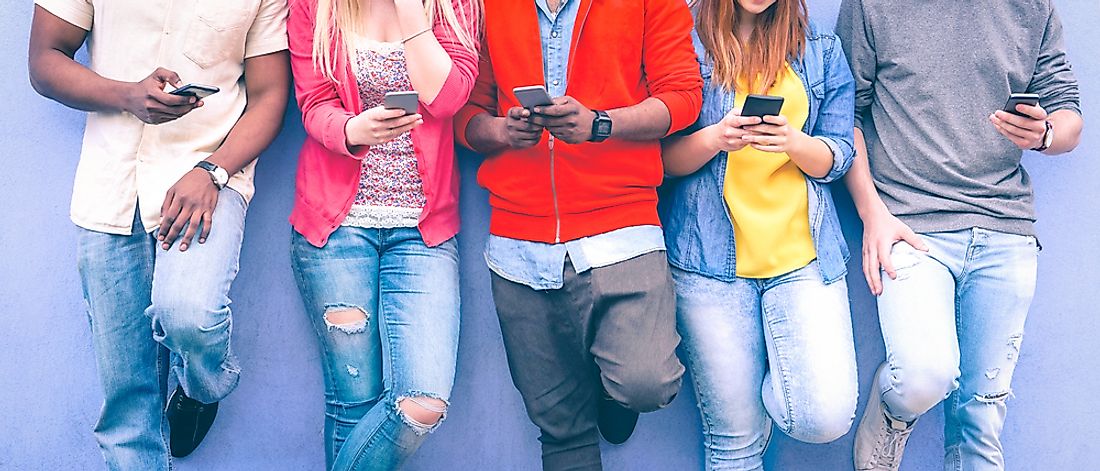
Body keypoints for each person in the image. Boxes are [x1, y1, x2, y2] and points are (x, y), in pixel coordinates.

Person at [27, 0, 289, 467]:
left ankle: (204, 385)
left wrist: (213, 171)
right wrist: (127, 95)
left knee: (191, 313)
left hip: (208, 177)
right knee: (128, 410)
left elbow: (269, 95)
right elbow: (45, 61)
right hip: (112, 185)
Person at [455, 0, 702, 468]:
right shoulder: (486, 5)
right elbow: (464, 113)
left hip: (622, 227)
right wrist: (502, 131)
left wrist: (600, 124)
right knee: (561, 430)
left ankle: (613, 392)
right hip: (519, 244)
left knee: (645, 382)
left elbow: (684, 97)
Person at [836, 1, 1083, 469]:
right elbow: (844, 114)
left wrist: (1045, 133)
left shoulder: (1032, 7)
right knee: (922, 376)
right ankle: (891, 411)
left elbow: (1069, 115)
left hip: (1005, 226)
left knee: (982, 417)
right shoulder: (871, 5)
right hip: (911, 225)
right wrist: (872, 212)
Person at [659, 0, 858, 468]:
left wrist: (793, 142)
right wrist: (716, 138)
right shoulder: (684, 41)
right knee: (734, 440)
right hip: (707, 266)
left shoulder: (820, 50)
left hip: (802, 260)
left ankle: (768, 383)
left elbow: (840, 155)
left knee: (824, 415)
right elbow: (659, 163)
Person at [286, 0, 479, 468]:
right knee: (352, 400)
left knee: (422, 402)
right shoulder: (314, 6)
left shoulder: (454, 6)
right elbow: (313, 105)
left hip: (423, 234)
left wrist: (413, 14)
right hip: (335, 228)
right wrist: (353, 128)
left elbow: (448, 99)